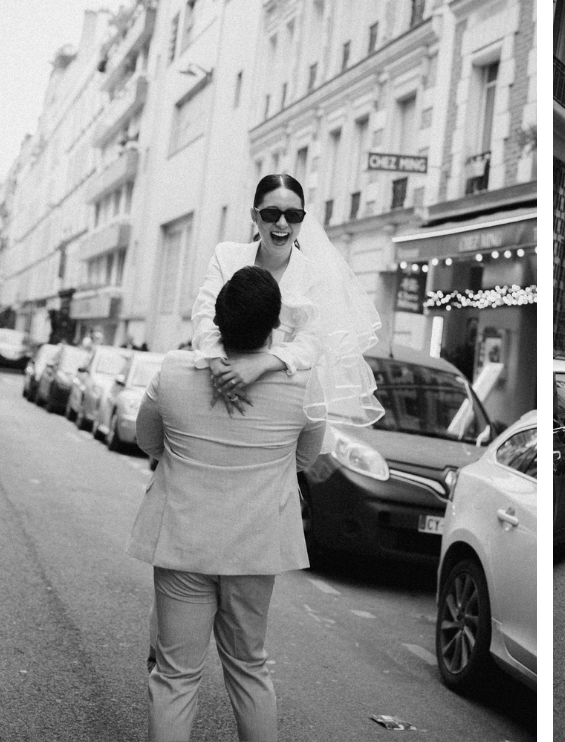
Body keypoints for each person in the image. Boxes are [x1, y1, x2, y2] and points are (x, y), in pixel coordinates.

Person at [129, 266, 327, 741]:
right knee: (248, 667)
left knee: (175, 676)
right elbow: (304, 458)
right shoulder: (304, 386)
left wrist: (179, 461)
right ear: (274, 324)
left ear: (217, 322)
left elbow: (146, 440)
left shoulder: (174, 372)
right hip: (255, 548)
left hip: (182, 539)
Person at [192, 173, 382, 444]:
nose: (282, 223)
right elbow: (205, 314)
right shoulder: (227, 256)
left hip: (280, 402)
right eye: (271, 213)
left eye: (293, 215)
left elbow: (315, 341)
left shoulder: (315, 274)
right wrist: (217, 364)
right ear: (254, 215)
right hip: (218, 388)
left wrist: (261, 363)